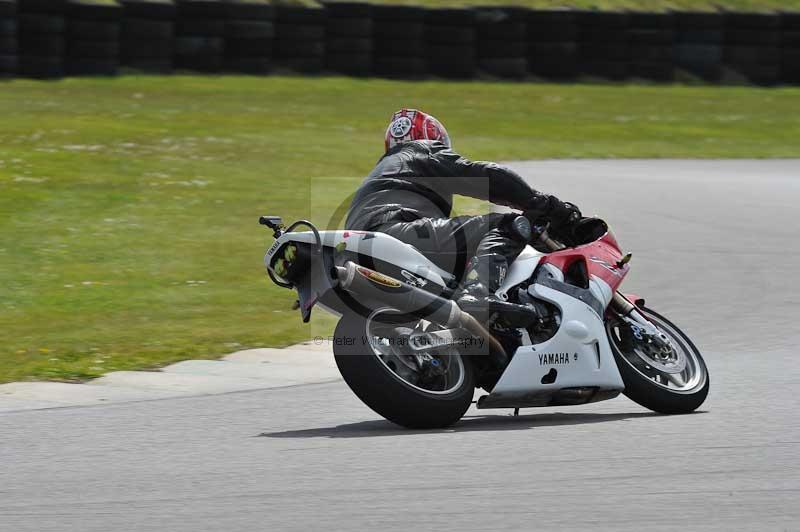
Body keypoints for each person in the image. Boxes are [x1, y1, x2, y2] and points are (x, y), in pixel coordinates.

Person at [345, 108, 582, 323]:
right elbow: (486, 176)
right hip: (396, 233)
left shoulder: (383, 173)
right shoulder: (421, 151)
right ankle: (478, 293)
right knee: (509, 225)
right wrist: (543, 203)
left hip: (360, 249)